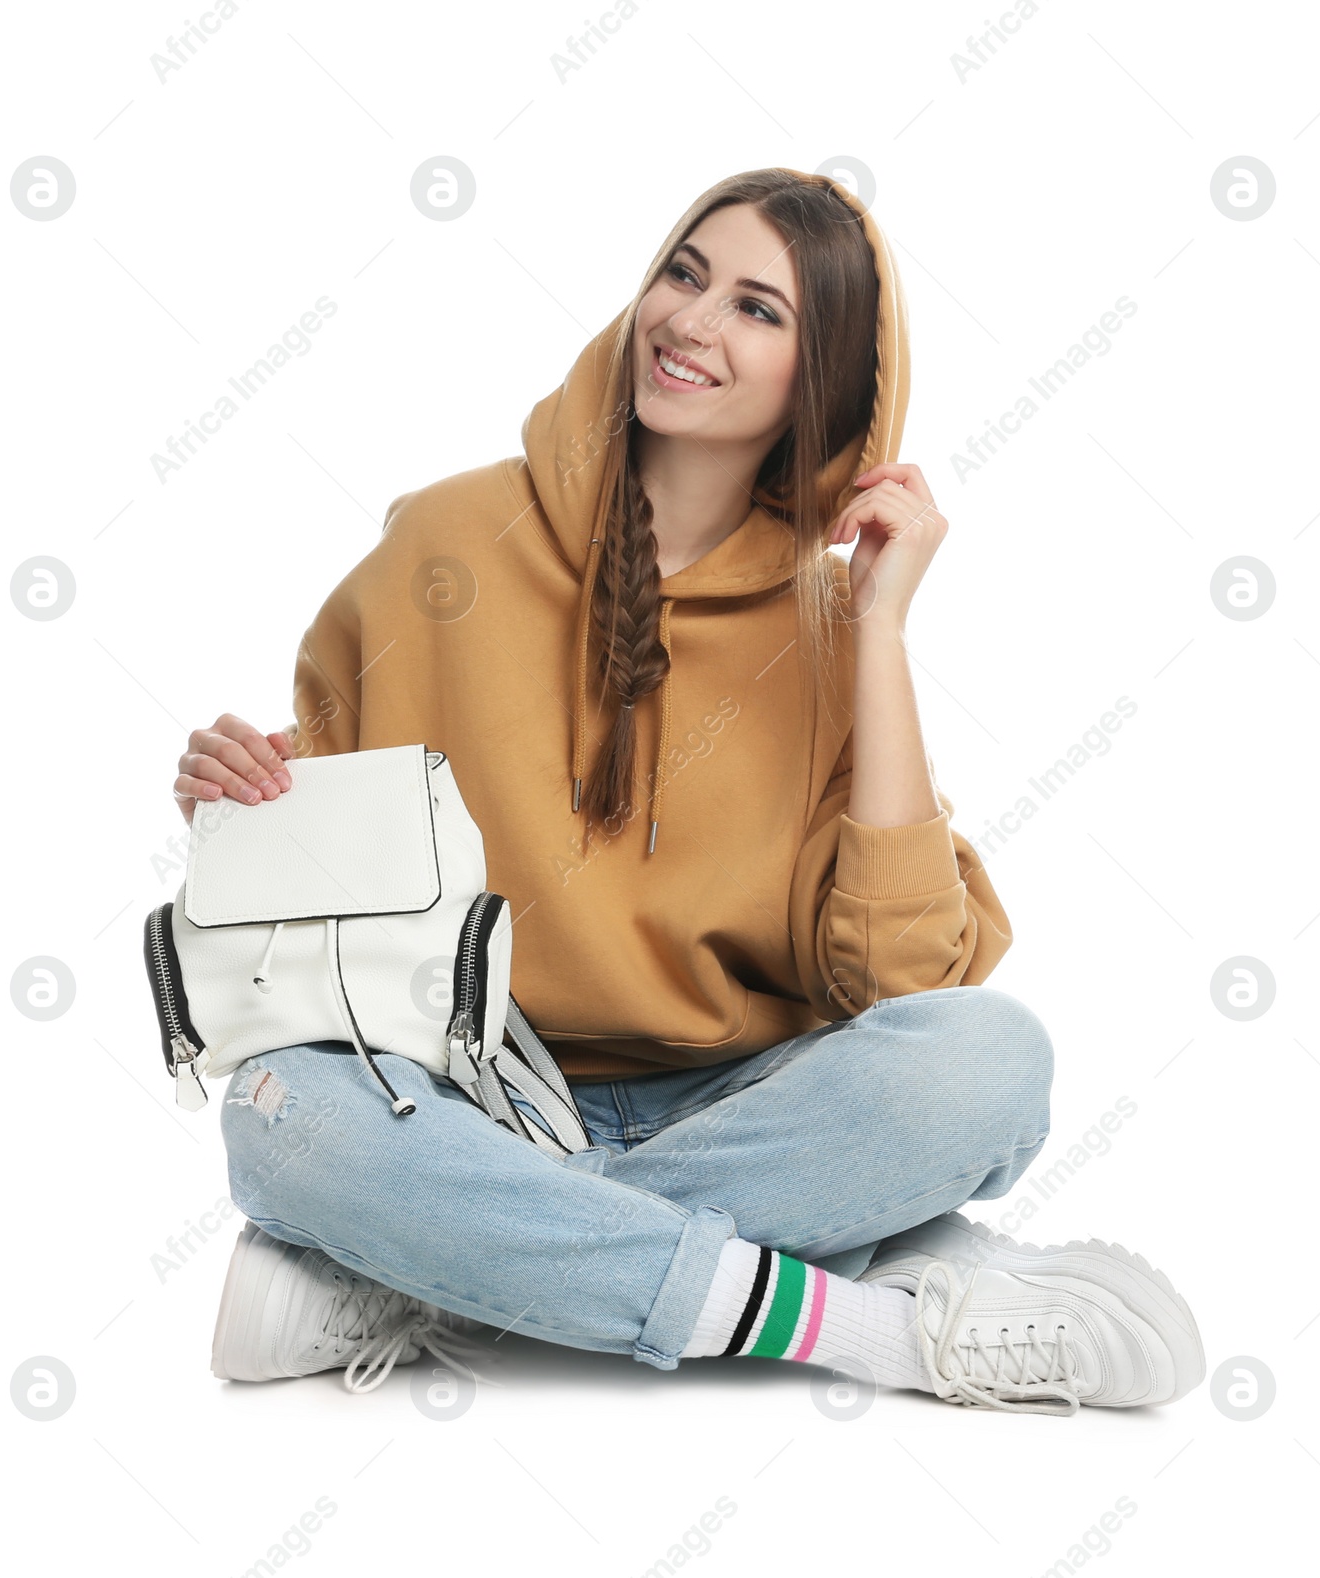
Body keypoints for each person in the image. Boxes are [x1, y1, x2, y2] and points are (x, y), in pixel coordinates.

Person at [171, 167, 1204, 1415]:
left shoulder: (831, 634)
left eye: (758, 310)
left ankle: (433, 1267)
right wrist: (245, 791)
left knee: (990, 1062)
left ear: (822, 384)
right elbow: (341, 860)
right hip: (471, 1089)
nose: (693, 323)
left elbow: (905, 986)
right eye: (684, 274)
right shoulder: (442, 544)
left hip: (744, 1099)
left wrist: (875, 635)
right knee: (284, 1110)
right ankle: (866, 1326)